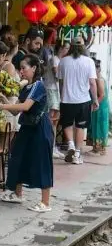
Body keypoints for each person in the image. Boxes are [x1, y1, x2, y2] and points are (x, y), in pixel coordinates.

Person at [0, 55, 54, 211]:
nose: (21, 72)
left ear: (34, 68)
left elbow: (25, 107)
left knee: (41, 161)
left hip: (39, 127)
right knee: (17, 156)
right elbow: (16, 110)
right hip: (27, 126)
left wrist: (2, 107)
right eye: (20, 68)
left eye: (24, 68)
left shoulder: (38, 86)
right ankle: (17, 193)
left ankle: (45, 202)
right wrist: (4, 101)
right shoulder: (27, 86)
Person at [58, 35, 98, 165]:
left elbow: (61, 82)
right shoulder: (89, 61)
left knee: (67, 124)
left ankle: (70, 144)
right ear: (83, 47)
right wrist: (95, 99)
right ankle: (77, 153)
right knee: (80, 126)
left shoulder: (63, 61)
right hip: (83, 100)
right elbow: (92, 83)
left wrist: (62, 95)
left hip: (66, 99)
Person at [40, 28, 64, 160]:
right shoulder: (44, 50)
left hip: (54, 87)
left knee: (55, 117)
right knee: (50, 117)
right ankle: (48, 145)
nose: (56, 36)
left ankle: (53, 145)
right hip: (48, 86)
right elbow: (44, 69)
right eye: (54, 34)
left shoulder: (50, 50)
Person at [89, 58, 109, 155]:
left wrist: (94, 106)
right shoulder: (98, 78)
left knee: (99, 126)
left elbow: (102, 95)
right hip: (100, 106)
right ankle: (97, 148)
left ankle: (100, 148)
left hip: (100, 106)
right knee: (97, 125)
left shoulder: (99, 80)